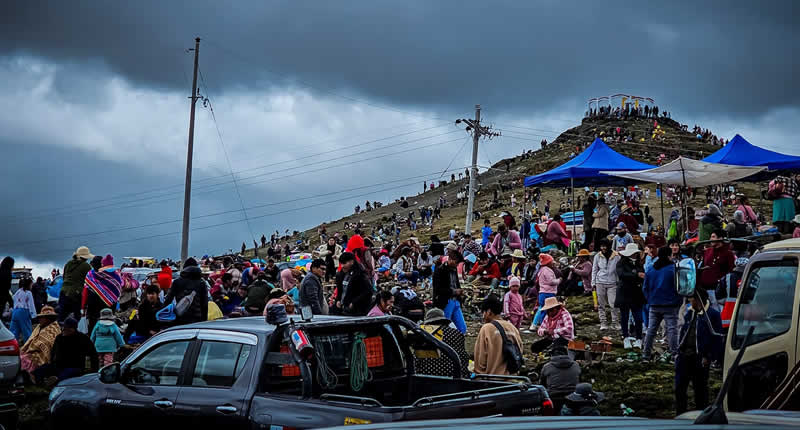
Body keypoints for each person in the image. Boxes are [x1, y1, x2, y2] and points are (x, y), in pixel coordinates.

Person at [675, 289, 723, 415]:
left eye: (692, 300)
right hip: (684, 355)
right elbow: (683, 332)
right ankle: (680, 413)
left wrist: (709, 356)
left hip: (700, 358)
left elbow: (717, 338)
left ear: (699, 300)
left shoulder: (712, 315)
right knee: (680, 387)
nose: (690, 302)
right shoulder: (689, 314)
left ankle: (701, 414)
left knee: (700, 389)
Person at [643, 246, 683, 360]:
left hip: (654, 304)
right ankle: (675, 354)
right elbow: (679, 288)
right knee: (672, 330)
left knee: (651, 330)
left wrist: (650, 300)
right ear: (669, 255)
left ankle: (646, 354)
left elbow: (645, 288)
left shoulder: (651, 269)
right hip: (671, 305)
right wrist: (678, 300)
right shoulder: (673, 269)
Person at [34, 316, 98, 385]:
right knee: (43, 368)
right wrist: (52, 362)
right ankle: (36, 380)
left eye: (66, 328)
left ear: (72, 329)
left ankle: (56, 380)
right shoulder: (59, 337)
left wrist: (94, 370)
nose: (63, 329)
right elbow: (53, 352)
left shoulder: (83, 338)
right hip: (59, 365)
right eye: (63, 327)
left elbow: (93, 354)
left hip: (75, 366)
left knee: (68, 373)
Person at [474, 295, 523, 376]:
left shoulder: (486, 328)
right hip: (511, 379)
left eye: (483, 312)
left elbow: (480, 359)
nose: (483, 316)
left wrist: (479, 374)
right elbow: (520, 351)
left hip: (493, 380)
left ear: (489, 312)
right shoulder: (512, 328)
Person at [416, 308, 470, 377]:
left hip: (428, 379)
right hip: (455, 378)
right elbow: (463, 358)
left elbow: (416, 361)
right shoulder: (457, 333)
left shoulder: (423, 334)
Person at [616, 243, 646, 349]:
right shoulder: (621, 263)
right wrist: (636, 275)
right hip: (624, 293)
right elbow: (621, 275)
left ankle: (639, 338)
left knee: (638, 318)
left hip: (636, 294)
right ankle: (626, 337)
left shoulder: (639, 264)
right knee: (624, 317)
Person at [82, 254, 121, 335]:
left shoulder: (90, 275)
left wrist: (83, 306)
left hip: (93, 305)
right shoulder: (113, 274)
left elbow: (85, 291)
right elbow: (118, 287)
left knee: (93, 326)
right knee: (108, 324)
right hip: (109, 306)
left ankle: (93, 343)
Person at [164, 257, 208, 325]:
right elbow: (204, 305)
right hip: (197, 319)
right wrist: (204, 320)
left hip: (181, 318)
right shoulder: (202, 283)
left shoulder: (177, 282)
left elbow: (168, 300)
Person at [540, 342, 581, 414]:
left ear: (552, 355)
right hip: (573, 397)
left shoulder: (547, 366)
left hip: (553, 397)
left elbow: (542, 384)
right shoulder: (576, 365)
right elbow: (579, 380)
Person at [432, 249, 467, 333]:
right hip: (446, 302)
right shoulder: (440, 270)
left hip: (456, 301)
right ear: (450, 259)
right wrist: (454, 292)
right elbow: (438, 289)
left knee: (462, 328)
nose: (457, 265)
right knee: (444, 327)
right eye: (456, 263)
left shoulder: (454, 270)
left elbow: (456, 284)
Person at [591, 239, 620, 331]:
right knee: (601, 304)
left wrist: (618, 281)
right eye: (601, 246)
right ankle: (603, 322)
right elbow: (594, 269)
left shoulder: (616, 256)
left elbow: (618, 270)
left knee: (613, 303)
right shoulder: (597, 256)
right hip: (600, 282)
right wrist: (593, 282)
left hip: (612, 282)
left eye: (604, 246)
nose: (603, 248)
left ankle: (615, 322)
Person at [59, 246, 93, 321]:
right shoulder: (86, 266)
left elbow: (64, 277)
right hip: (75, 294)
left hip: (63, 292)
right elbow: (90, 280)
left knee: (62, 317)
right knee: (76, 318)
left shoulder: (68, 263)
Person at [531, 253, 561, 328]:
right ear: (548, 262)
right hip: (548, 293)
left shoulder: (541, 270)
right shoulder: (547, 271)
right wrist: (558, 281)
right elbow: (551, 281)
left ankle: (534, 324)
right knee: (547, 310)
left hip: (542, 293)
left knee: (541, 309)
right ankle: (544, 325)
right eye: (551, 261)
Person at [10, 278, 37, 344]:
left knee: (14, 331)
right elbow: (31, 305)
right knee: (27, 331)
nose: (32, 286)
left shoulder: (17, 292)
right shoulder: (28, 293)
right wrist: (34, 315)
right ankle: (28, 346)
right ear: (28, 284)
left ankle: (13, 345)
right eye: (31, 284)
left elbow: (13, 300)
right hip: (23, 312)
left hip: (15, 312)